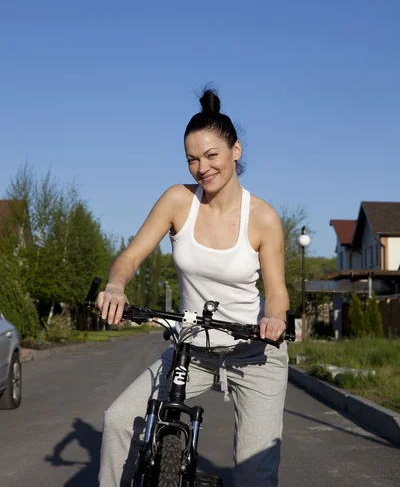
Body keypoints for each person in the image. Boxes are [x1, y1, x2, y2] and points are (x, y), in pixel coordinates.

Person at [97, 88, 290, 487]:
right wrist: (116, 286)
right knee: (118, 421)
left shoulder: (263, 218)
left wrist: (273, 318)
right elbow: (130, 257)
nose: (202, 168)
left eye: (211, 155)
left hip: (253, 351)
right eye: (192, 159)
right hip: (192, 349)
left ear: (235, 151)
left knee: (255, 471)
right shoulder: (177, 201)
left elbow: (277, 292)